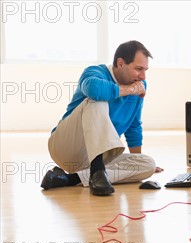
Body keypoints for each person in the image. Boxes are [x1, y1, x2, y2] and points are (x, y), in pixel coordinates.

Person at [41, 40, 163, 196]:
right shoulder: (95, 72)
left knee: (148, 164)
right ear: (120, 63)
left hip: (94, 155)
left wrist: (135, 161)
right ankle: (97, 170)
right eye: (138, 69)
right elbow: (93, 89)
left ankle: (69, 179)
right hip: (66, 147)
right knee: (97, 100)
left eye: (145, 70)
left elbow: (133, 125)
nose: (143, 76)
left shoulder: (139, 84)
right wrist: (129, 90)